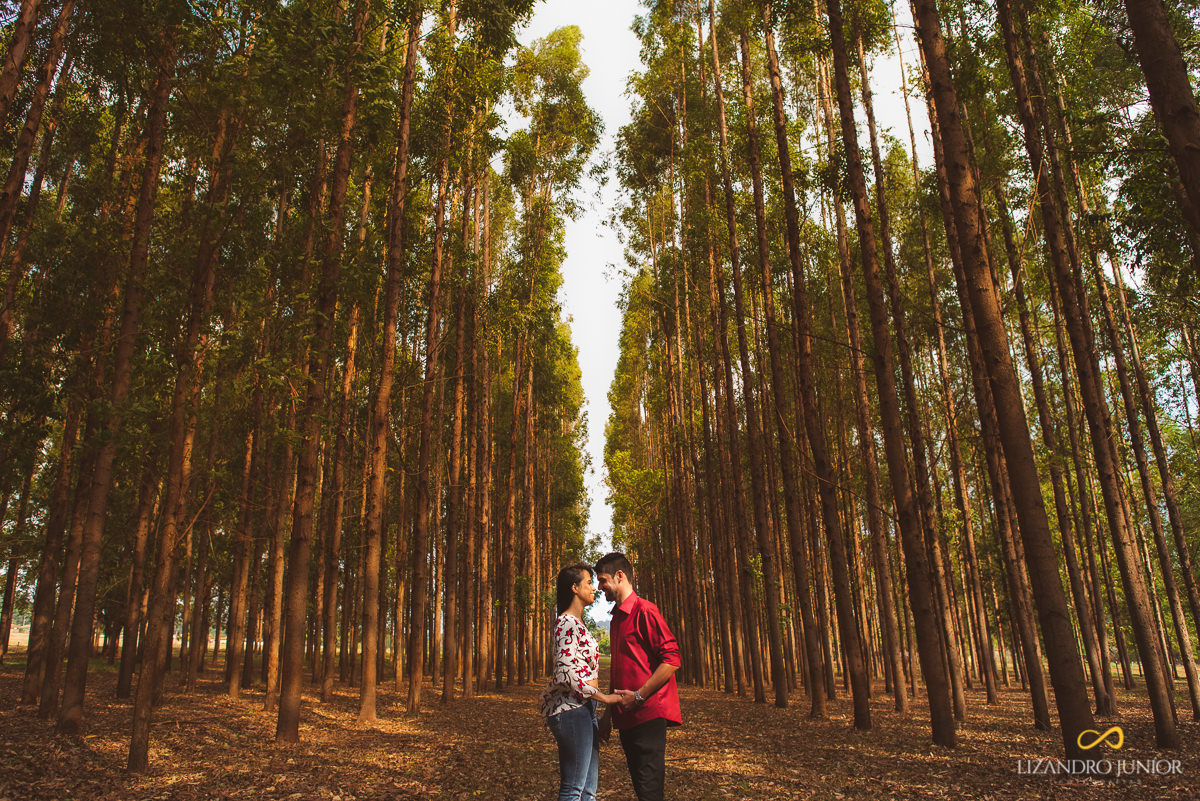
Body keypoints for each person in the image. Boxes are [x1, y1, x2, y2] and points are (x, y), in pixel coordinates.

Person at [594, 552, 681, 801]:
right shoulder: (616, 618)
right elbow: (619, 672)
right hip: (626, 716)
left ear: (619, 576)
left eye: (603, 580)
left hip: (648, 714)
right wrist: (608, 714)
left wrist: (640, 697)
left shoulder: (646, 611)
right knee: (642, 790)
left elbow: (672, 659)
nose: (600, 587)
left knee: (650, 790)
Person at [540, 564, 623, 801]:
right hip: (571, 710)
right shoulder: (565, 623)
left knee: (587, 791)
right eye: (588, 582)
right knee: (574, 789)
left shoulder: (577, 623)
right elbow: (566, 674)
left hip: (584, 709)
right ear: (574, 588)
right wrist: (604, 697)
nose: (594, 588)